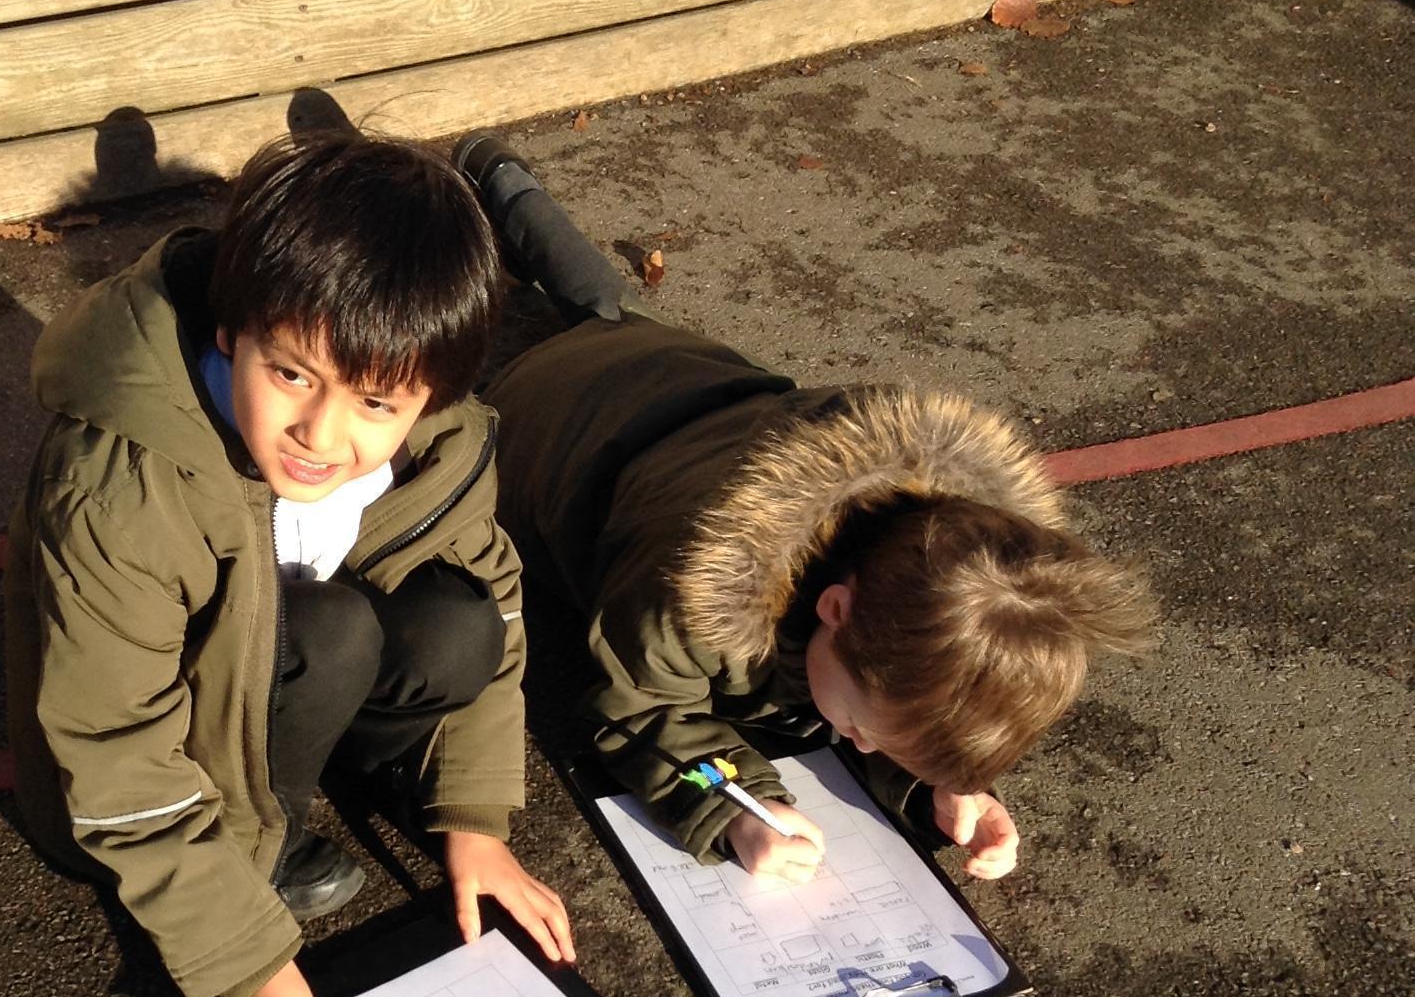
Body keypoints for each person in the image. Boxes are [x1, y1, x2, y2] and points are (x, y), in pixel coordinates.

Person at [5, 118, 573, 997]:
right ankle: (259, 843)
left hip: (281, 668)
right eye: (291, 375)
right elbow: (113, 748)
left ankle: (301, 775)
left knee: (461, 624)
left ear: (429, 395)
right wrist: (250, 966)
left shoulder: (431, 437)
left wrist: (474, 819)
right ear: (233, 331)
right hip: (135, 776)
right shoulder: (120, 496)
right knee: (333, 633)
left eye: (376, 404)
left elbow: (497, 595)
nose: (321, 432)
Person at [456, 134, 1155, 884]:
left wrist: (941, 786)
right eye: (859, 727)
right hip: (546, 416)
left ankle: (505, 180)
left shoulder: (931, 554)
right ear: (834, 609)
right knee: (483, 327)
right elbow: (641, 712)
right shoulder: (690, 590)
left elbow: (917, 685)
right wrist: (736, 809)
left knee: (602, 305)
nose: (858, 745)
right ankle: (450, 214)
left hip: (681, 366)